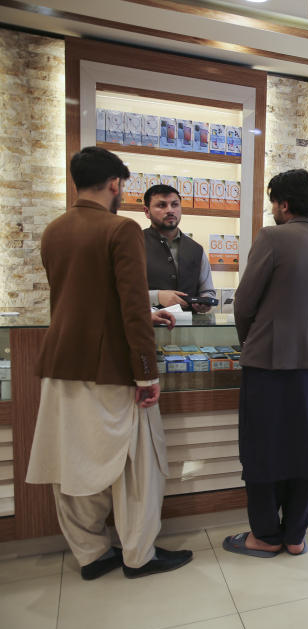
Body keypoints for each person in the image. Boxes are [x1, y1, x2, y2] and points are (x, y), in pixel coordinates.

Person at [26, 146, 193, 580]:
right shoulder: (121, 230)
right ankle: (139, 555)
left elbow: (82, 298)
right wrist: (147, 374)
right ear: (116, 184)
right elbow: (131, 308)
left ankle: (91, 554)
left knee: (74, 465)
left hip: (61, 364)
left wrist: (138, 313)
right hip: (111, 370)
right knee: (138, 466)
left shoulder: (54, 230)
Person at [224, 169, 308, 557]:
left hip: (269, 365)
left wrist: (253, 342)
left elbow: (243, 305)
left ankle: (264, 535)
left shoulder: (271, 237)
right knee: (307, 449)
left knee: (262, 449)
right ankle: (295, 535)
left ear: (282, 203)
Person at [142, 184, 217, 312]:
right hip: (147, 327)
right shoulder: (134, 243)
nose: (170, 210)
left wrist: (204, 301)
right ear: (147, 212)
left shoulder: (196, 249)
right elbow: (118, 291)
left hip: (187, 329)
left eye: (175, 205)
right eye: (162, 205)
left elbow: (207, 291)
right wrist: (157, 297)